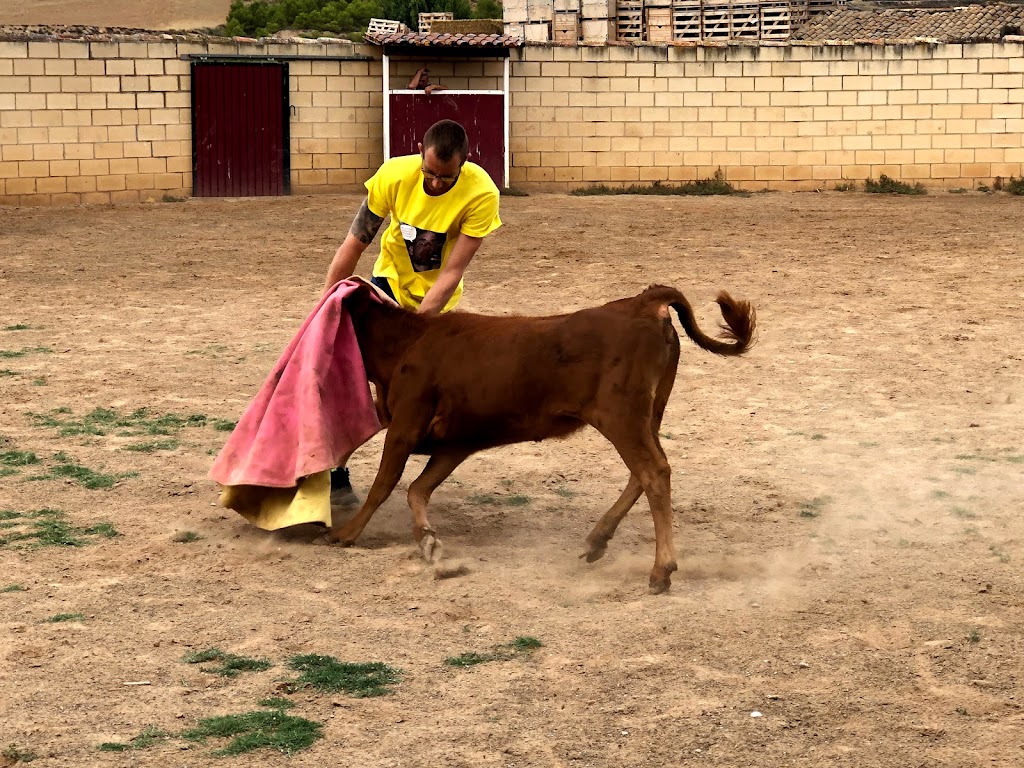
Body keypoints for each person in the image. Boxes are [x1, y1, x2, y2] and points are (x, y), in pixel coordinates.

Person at [323, 119, 502, 508]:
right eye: (430, 173)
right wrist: (326, 306)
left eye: (447, 178)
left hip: (435, 306)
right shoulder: (393, 174)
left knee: (404, 400)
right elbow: (353, 245)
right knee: (355, 381)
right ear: (420, 154)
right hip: (386, 288)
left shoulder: (482, 193)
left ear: (464, 166)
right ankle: (335, 473)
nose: (436, 184)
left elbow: (453, 271)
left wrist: (418, 327)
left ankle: (396, 464)